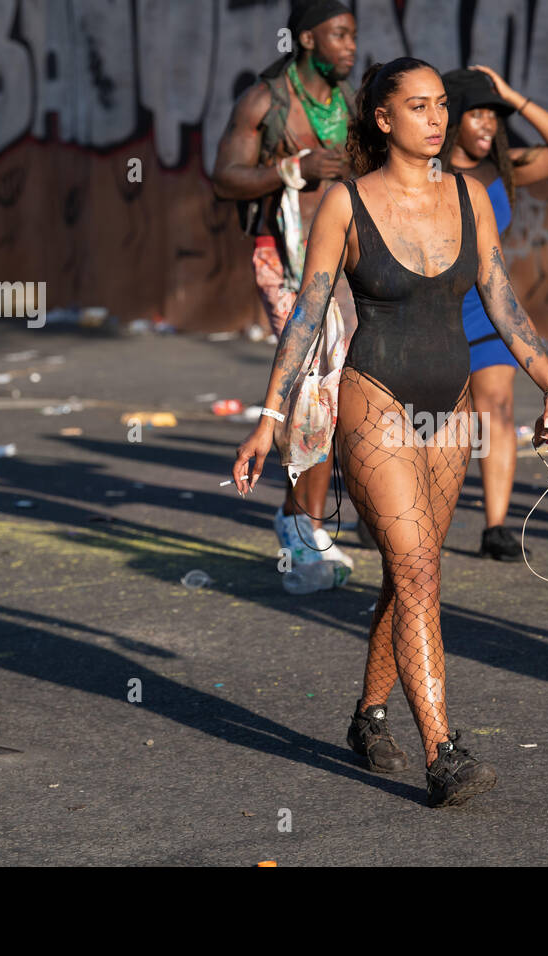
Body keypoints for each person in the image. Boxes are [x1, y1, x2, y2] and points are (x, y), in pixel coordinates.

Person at [232, 58, 548, 807]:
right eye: (417, 106)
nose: (436, 118)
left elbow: (501, 295)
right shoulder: (346, 204)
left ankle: (368, 715)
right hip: (375, 397)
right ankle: (444, 753)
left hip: (449, 405)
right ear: (382, 119)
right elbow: (308, 314)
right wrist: (268, 420)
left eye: (442, 105)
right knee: (418, 569)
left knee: (410, 573)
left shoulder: (472, 195)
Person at [212, 0, 357, 576]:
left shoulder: (346, 102)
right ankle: (302, 525)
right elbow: (225, 178)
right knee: (309, 387)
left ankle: (308, 519)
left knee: (340, 389)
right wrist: (292, 170)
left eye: (353, 35)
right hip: (283, 261)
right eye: (338, 35)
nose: (349, 45)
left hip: (342, 259)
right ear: (306, 39)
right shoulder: (265, 100)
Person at [437, 65, 548, 560]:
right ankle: (400, 516)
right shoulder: (424, 169)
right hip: (434, 312)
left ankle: (496, 526)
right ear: (450, 115)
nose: (488, 125)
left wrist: (513, 97)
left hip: (489, 306)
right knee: (442, 424)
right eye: (476, 113)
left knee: (496, 407)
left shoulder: (504, 167)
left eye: (493, 116)